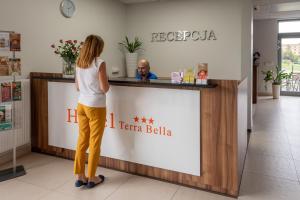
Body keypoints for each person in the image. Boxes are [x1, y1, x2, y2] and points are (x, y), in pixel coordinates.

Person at [74, 35, 109, 189]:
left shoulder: (79, 62)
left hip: (81, 104)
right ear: (98, 48)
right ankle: (92, 177)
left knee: (82, 141)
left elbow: (77, 87)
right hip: (96, 106)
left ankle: (80, 176)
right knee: (95, 142)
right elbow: (104, 88)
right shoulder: (99, 63)